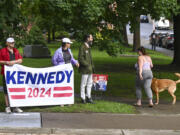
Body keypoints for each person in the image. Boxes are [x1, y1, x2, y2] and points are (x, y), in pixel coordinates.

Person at [0, 37, 23, 113]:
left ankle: (15, 106)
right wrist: (6, 62)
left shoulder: (16, 51)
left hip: (15, 73)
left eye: (13, 42)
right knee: (6, 90)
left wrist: (14, 62)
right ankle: (7, 106)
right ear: (7, 43)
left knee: (15, 89)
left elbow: (20, 60)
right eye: (11, 43)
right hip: (7, 73)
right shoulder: (3, 51)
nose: (13, 44)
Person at [78, 34, 94, 104]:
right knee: (83, 84)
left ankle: (88, 97)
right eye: (91, 38)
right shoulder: (82, 47)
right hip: (85, 69)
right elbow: (80, 58)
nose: (92, 39)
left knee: (89, 84)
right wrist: (87, 65)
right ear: (87, 39)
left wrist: (92, 66)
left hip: (90, 69)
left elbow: (90, 59)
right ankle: (83, 98)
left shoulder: (88, 47)